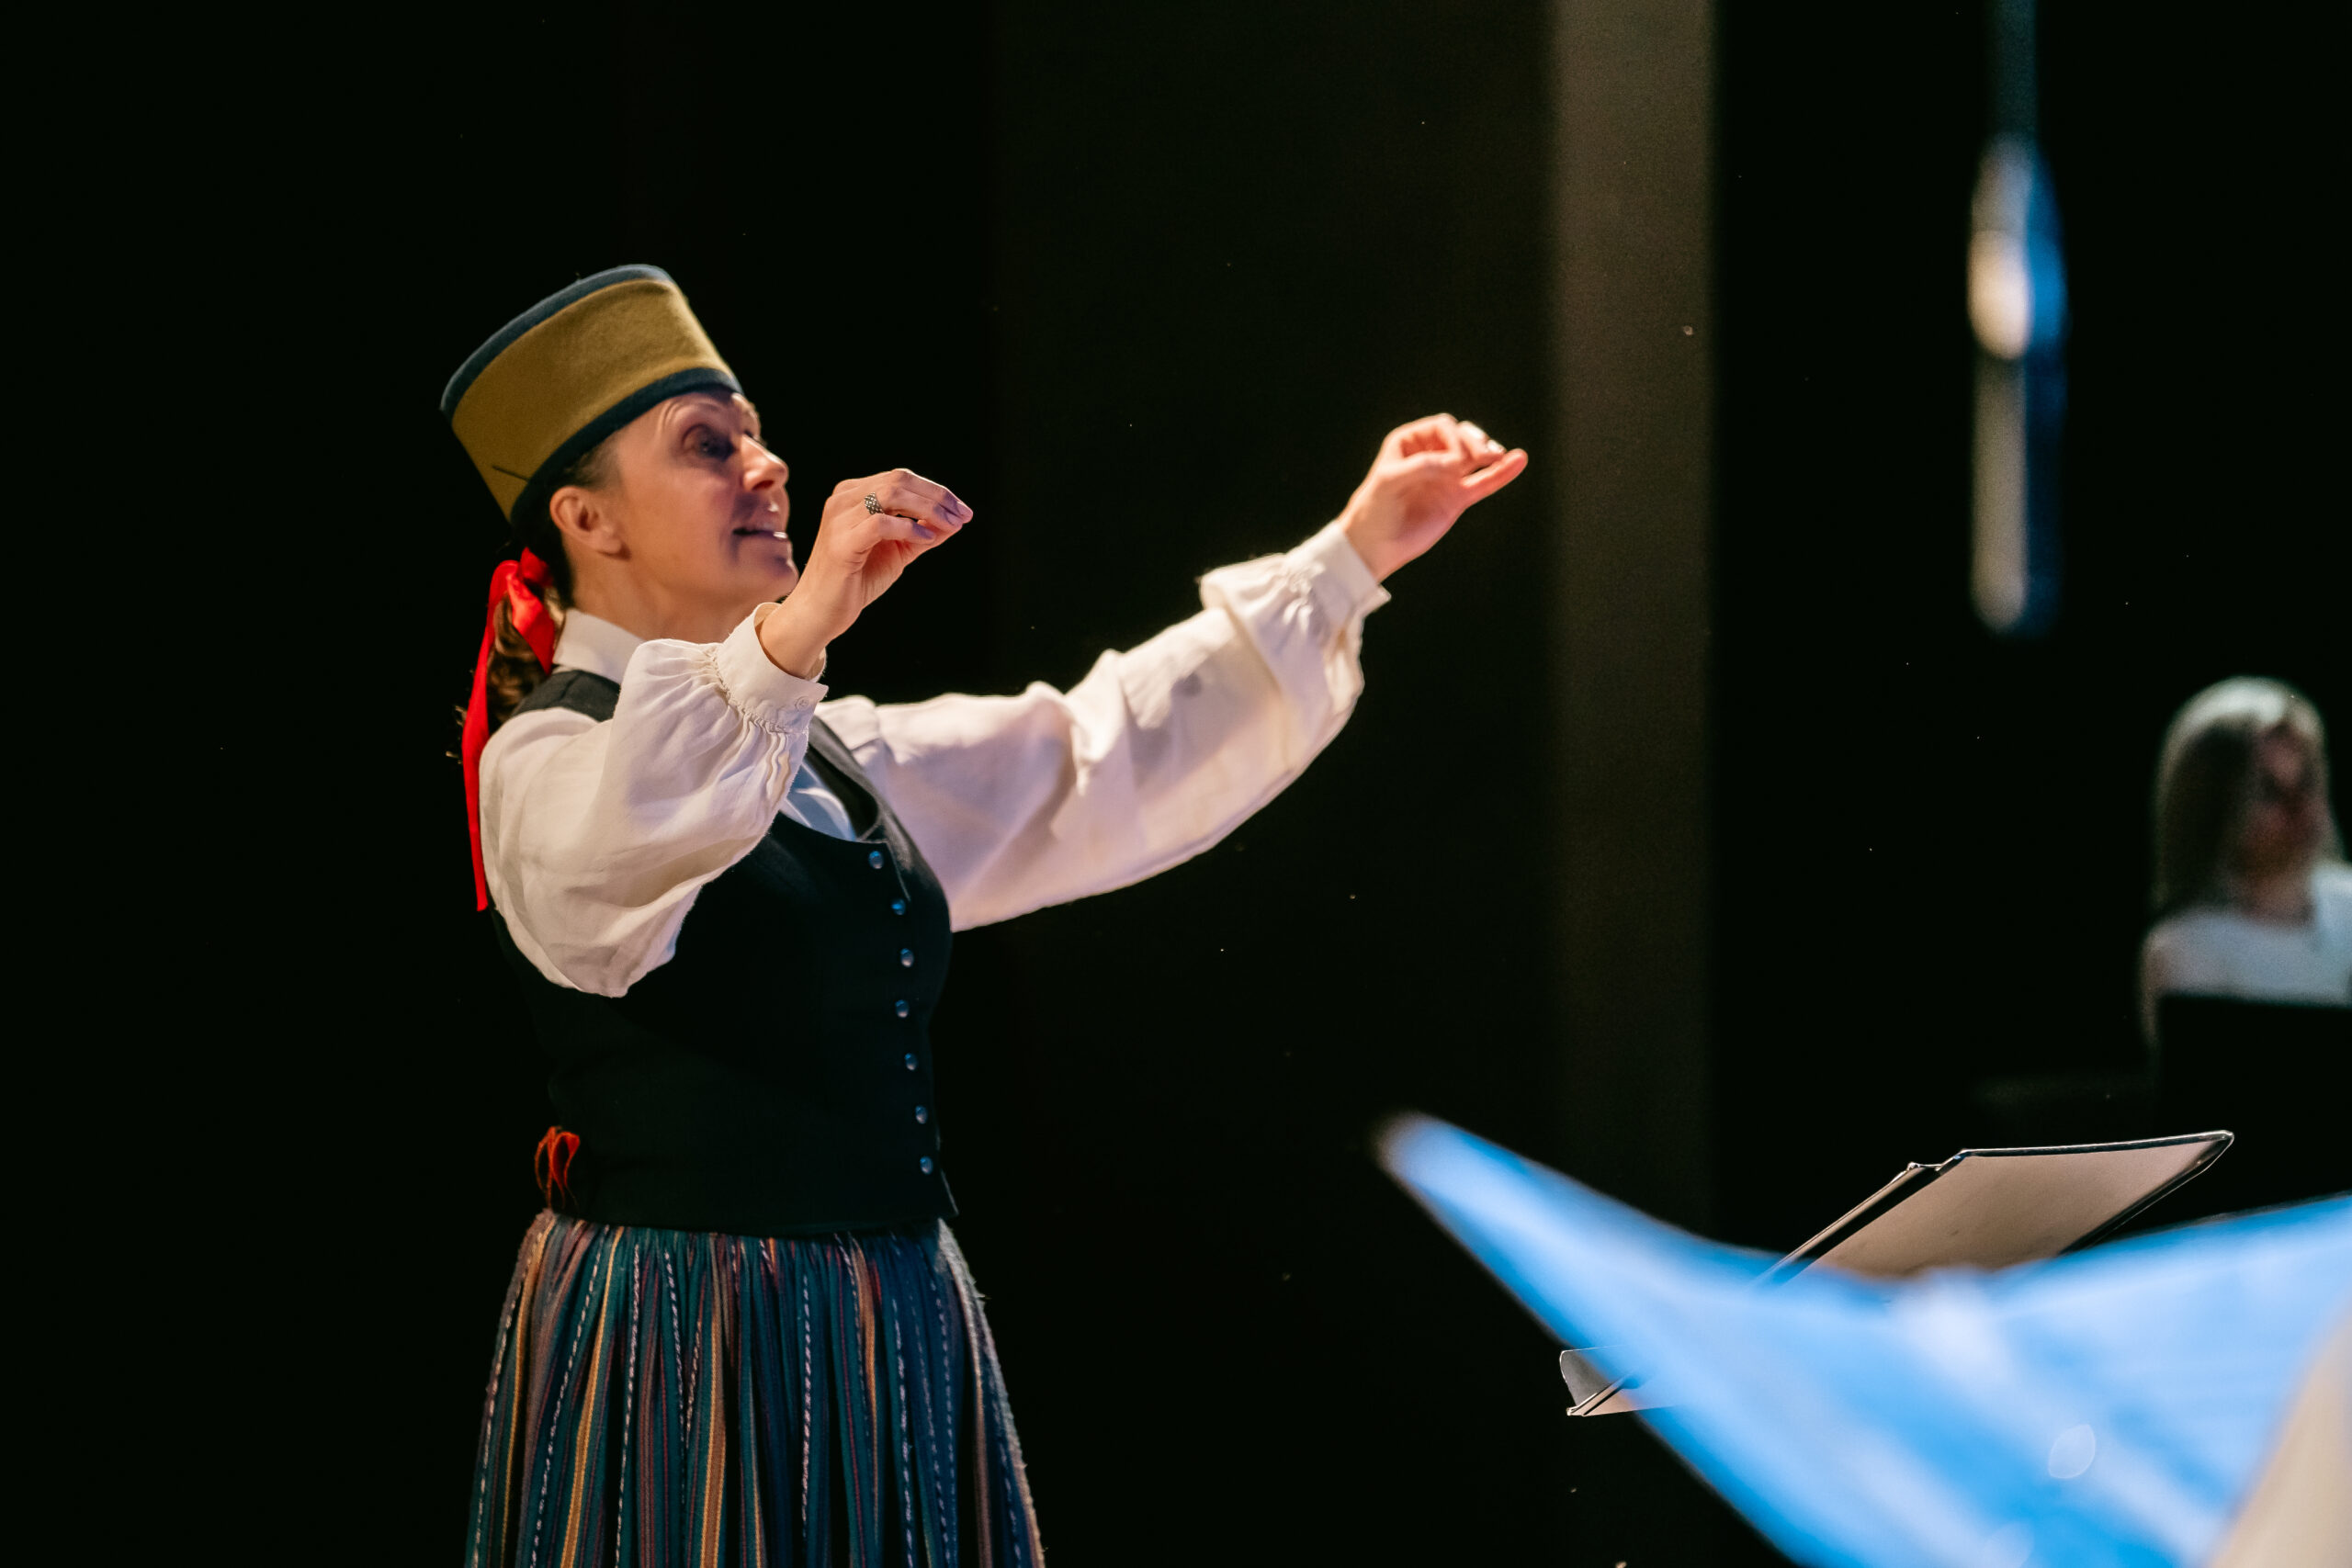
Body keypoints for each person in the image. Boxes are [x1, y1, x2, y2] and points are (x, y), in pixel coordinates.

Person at [445, 265, 1527, 1565]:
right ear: (588, 519)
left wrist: (1351, 555)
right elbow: (624, 843)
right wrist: (796, 631)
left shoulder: (827, 752)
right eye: (708, 445)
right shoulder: (549, 759)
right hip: (693, 1332)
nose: (767, 466)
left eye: (758, 434)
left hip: (885, 1316)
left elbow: (1087, 758)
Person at [2140, 677, 2351, 1042]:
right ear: (2212, 809)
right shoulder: (2188, 948)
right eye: (2269, 791)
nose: (2300, 807)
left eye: (2307, 780)